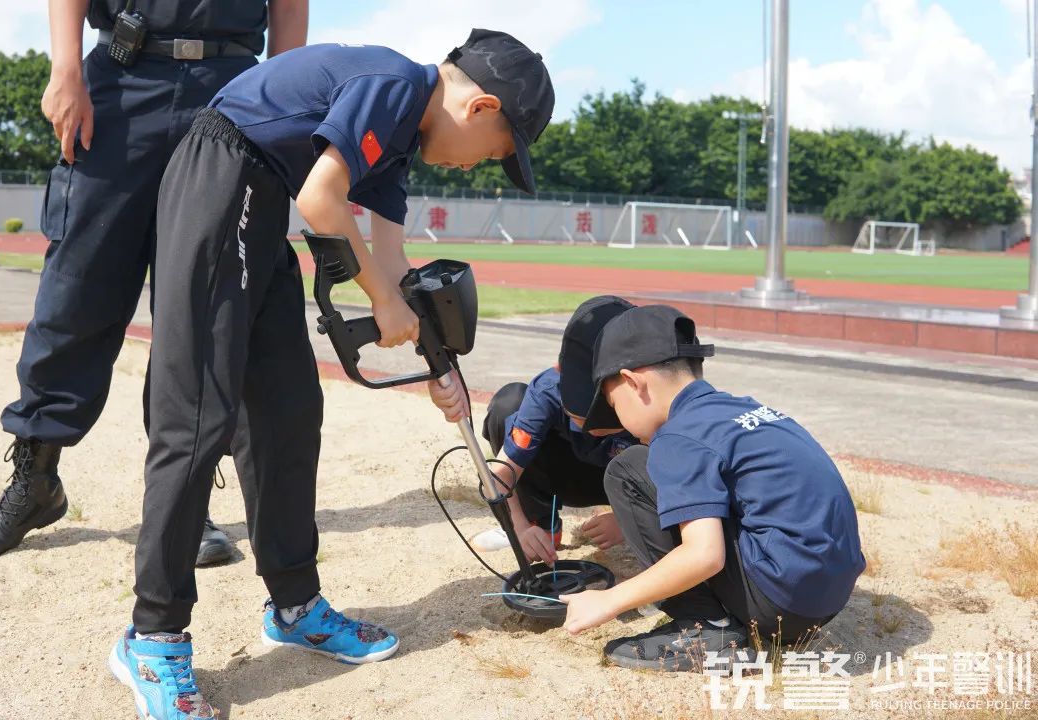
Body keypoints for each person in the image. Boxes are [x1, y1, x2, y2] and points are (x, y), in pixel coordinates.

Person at [108, 29, 554, 719]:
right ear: (480, 107)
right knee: (198, 419)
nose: (475, 167)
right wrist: (381, 301)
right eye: (493, 152)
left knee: (288, 410)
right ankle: (153, 636)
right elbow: (322, 200)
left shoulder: (399, 141)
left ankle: (294, 603)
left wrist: (438, 362)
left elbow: (392, 261)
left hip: (261, 204)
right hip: (221, 177)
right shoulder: (395, 85)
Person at [0, 0, 308, 564]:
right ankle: (36, 479)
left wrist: (285, 101)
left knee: (202, 309)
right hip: (121, 83)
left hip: (231, 90)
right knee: (75, 290)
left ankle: (185, 500)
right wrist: (65, 69)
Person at [563, 305, 865, 673]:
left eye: (614, 405)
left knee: (628, 470)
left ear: (633, 383)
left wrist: (609, 600)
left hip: (780, 605)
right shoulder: (746, 410)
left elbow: (705, 555)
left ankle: (706, 625)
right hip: (828, 598)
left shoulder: (678, 436)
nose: (620, 422)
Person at [474, 295, 639, 563]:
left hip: (627, 481)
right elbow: (499, 476)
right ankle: (541, 525)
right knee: (509, 403)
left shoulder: (653, 400)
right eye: (583, 416)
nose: (594, 429)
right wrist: (519, 528)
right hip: (569, 474)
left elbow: (679, 477)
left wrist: (628, 520)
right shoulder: (550, 389)